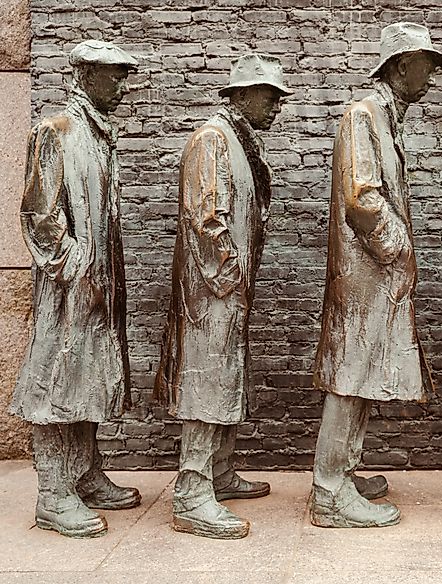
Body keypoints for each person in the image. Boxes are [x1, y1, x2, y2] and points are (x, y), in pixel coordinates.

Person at [310, 22, 442, 528]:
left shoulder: (388, 119)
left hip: (377, 275)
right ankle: (328, 490)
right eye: (425, 64)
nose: (431, 75)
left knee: (363, 373)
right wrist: (400, 250)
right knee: (350, 375)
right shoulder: (362, 116)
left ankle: (343, 469)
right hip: (365, 273)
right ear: (398, 66)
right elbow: (361, 200)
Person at [155, 54, 291, 539]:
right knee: (205, 382)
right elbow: (205, 218)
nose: (276, 105)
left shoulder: (237, 140)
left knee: (224, 378)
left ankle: (218, 470)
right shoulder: (212, 139)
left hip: (227, 292)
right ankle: (192, 493)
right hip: (212, 292)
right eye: (269, 95)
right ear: (241, 95)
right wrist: (231, 276)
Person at [11, 39, 141, 538]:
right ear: (86, 74)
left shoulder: (98, 135)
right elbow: (40, 216)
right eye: (114, 75)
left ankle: (84, 473)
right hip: (69, 289)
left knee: (89, 378)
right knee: (53, 380)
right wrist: (74, 267)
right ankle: (51, 492)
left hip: (98, 285)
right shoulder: (56, 131)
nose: (122, 85)